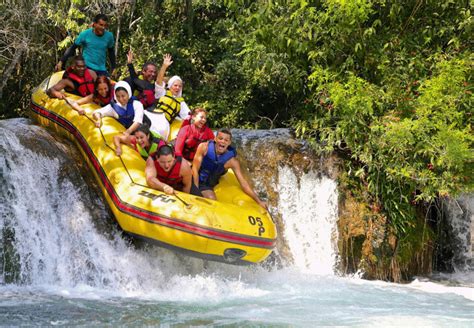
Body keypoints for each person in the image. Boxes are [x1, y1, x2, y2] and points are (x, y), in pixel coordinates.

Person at [192, 129, 267, 209]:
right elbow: (195, 169)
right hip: (193, 178)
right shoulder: (204, 147)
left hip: (206, 185)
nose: (223, 142)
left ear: (229, 143)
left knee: (212, 201)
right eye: (220, 138)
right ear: (215, 139)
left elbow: (243, 183)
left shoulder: (232, 161)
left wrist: (259, 201)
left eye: (226, 140)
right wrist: (195, 190)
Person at [144, 54, 190, 140]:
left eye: (180, 86)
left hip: (164, 122)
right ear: (170, 86)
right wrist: (164, 66)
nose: (177, 88)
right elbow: (158, 81)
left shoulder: (181, 102)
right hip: (153, 114)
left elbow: (188, 116)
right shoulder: (163, 93)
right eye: (175, 85)